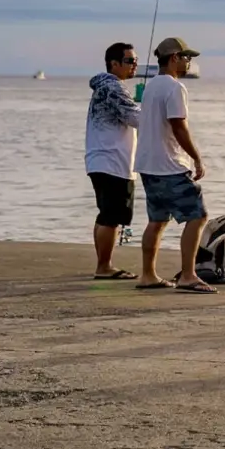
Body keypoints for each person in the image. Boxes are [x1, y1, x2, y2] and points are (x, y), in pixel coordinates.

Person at [133, 37, 213, 294]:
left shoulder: (151, 86)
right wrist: (197, 157)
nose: (189, 62)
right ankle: (188, 275)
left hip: (147, 164)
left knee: (157, 220)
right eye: (186, 57)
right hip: (169, 165)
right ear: (174, 58)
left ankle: (148, 275)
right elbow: (179, 125)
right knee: (198, 216)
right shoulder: (174, 88)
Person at [86, 42, 142, 280]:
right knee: (111, 216)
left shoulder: (106, 87)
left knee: (105, 214)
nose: (134, 65)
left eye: (135, 60)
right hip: (111, 161)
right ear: (114, 64)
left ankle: (103, 263)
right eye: (129, 61)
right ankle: (104, 266)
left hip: (102, 159)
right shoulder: (113, 88)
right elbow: (134, 117)